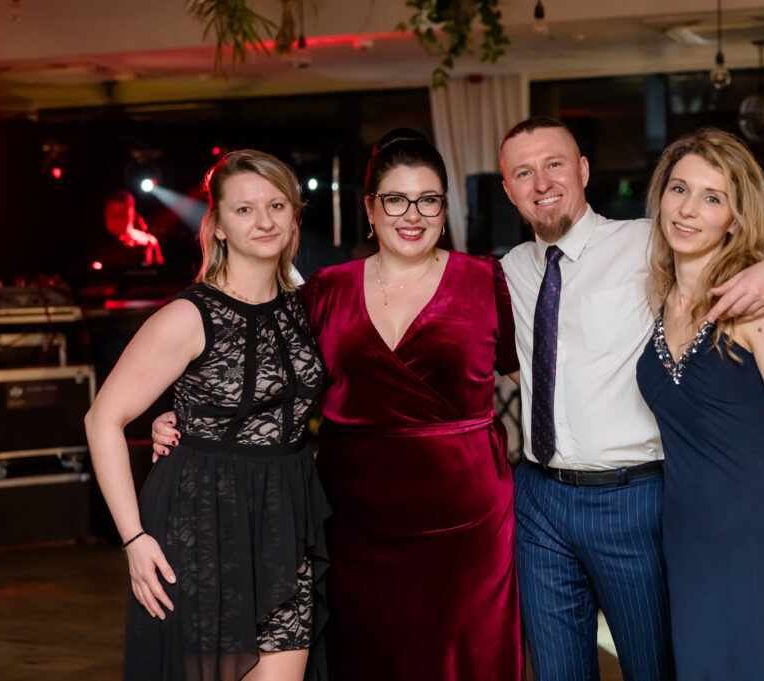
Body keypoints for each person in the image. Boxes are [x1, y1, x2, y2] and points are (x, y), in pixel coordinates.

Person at [155, 130, 523, 681]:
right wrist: (183, 415)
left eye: (428, 199)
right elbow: (270, 379)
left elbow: (543, 383)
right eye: (395, 200)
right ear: (370, 209)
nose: (413, 215)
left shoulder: (486, 280)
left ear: (445, 209)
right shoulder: (324, 291)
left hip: (465, 527)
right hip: (350, 525)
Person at [498, 116, 764, 681]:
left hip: (633, 498)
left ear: (583, 171)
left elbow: (731, 254)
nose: (541, 183)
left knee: (655, 666)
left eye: (554, 164)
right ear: (508, 189)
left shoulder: (648, 241)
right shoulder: (507, 272)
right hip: (539, 500)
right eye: (523, 172)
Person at [86, 150, 330, 681]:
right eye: (244, 209)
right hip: (202, 525)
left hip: (285, 521)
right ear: (216, 225)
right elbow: (102, 419)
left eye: (276, 206)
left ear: (294, 216)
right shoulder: (188, 315)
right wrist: (134, 539)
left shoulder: (309, 304)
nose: (264, 221)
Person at [634, 128, 764, 680]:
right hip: (688, 543)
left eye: (712, 197)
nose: (688, 209)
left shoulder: (757, 310)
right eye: (679, 189)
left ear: (734, 218)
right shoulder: (657, 297)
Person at [101, 189, 165, 267]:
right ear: (105, 214)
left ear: (133, 214)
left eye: (122, 213)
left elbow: (158, 272)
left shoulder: (148, 242)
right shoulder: (97, 245)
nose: (117, 219)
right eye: (112, 213)